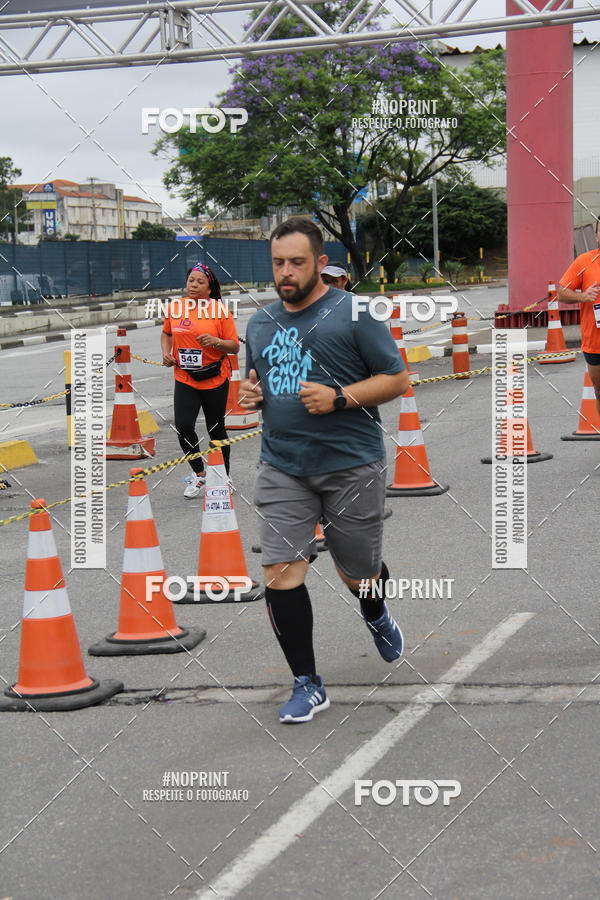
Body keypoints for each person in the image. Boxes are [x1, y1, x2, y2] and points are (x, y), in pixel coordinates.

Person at [239, 216, 410, 724]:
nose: (285, 272)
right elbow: (261, 381)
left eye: (296, 262)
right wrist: (252, 395)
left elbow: (397, 378)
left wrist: (339, 398)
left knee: (357, 572)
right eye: (278, 263)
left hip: (351, 465)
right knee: (280, 573)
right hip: (282, 465)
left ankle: (375, 611)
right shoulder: (261, 322)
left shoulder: (353, 313)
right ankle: (307, 683)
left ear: (319, 263)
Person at [161, 263, 240, 498]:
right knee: (184, 426)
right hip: (185, 377)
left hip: (214, 377)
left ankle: (223, 477)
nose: (193, 285)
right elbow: (167, 333)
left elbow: (234, 346)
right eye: (191, 281)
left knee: (216, 428)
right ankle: (200, 475)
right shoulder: (176, 308)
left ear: (209, 287)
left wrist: (216, 341)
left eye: (200, 282)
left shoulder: (219, 311)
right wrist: (167, 352)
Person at [558, 216, 600, 416]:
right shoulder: (584, 261)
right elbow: (562, 293)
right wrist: (583, 296)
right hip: (595, 342)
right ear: (597, 236)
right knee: (599, 392)